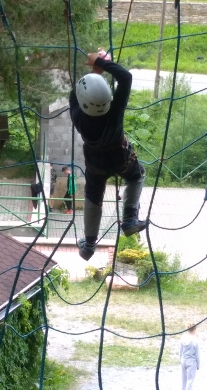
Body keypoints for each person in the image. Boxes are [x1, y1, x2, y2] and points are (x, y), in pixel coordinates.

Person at [69, 52, 147, 261]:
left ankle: (89, 245)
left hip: (95, 163)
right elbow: (126, 77)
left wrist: (96, 70)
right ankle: (129, 219)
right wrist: (101, 62)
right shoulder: (115, 111)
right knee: (136, 176)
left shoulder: (78, 117)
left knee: (93, 197)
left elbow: (77, 94)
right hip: (121, 157)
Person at [179, 324, 200, 390]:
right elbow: (197, 354)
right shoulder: (195, 340)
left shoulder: (183, 338)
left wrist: (180, 359)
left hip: (183, 360)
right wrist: (198, 364)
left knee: (183, 379)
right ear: (195, 329)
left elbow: (180, 350)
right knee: (190, 380)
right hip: (191, 361)